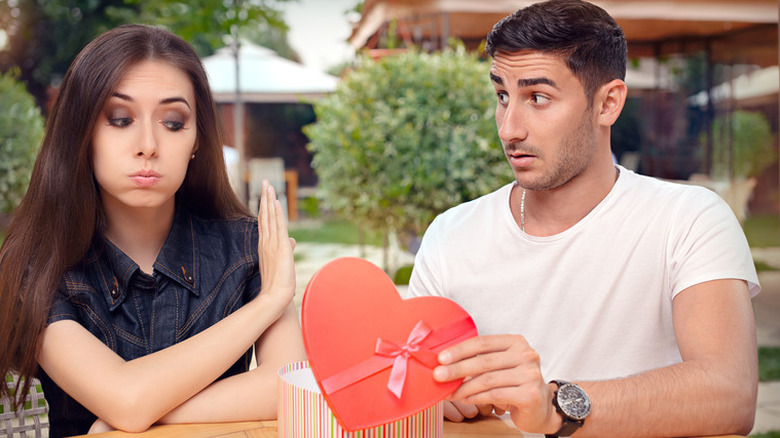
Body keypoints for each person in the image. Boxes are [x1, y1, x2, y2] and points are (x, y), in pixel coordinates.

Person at [408, 1, 760, 436]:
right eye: (503, 95)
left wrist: (554, 406)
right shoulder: (450, 235)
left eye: (537, 98)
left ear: (608, 104)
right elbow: (410, 383)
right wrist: (435, 396)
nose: (508, 129)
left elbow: (730, 393)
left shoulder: (688, 220)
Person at [0, 24, 305, 437]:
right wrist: (268, 303)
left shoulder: (247, 247)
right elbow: (125, 398)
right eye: (121, 119)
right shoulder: (40, 268)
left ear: (197, 140)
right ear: (82, 133)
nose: (148, 144)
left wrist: (141, 415)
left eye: (174, 122)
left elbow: (291, 390)